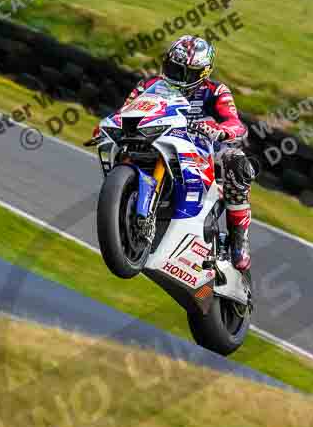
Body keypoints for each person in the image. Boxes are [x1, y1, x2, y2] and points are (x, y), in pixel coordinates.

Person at [95, 35, 255, 271]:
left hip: (200, 147)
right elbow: (126, 110)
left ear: (202, 73)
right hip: (155, 136)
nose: (176, 76)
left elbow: (236, 124)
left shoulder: (216, 91)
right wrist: (108, 124)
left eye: (185, 72)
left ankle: (238, 240)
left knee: (238, 162)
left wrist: (219, 130)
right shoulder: (148, 86)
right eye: (172, 67)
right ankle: (125, 209)